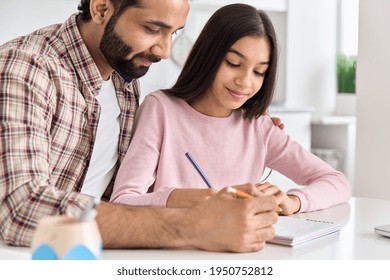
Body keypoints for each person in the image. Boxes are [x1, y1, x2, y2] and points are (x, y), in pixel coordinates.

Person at [0, 0, 282, 253]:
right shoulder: (24, 69)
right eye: (151, 29)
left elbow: (131, 190)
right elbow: (21, 208)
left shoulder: (124, 79)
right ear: (101, 9)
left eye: (173, 33)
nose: (164, 50)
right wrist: (194, 225)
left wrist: (235, 122)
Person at [111, 4, 351, 215]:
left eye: (259, 72)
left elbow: (336, 182)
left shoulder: (259, 127)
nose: (245, 82)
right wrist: (187, 199)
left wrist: (294, 201)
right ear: (209, 56)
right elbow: (123, 201)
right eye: (234, 64)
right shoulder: (161, 110)